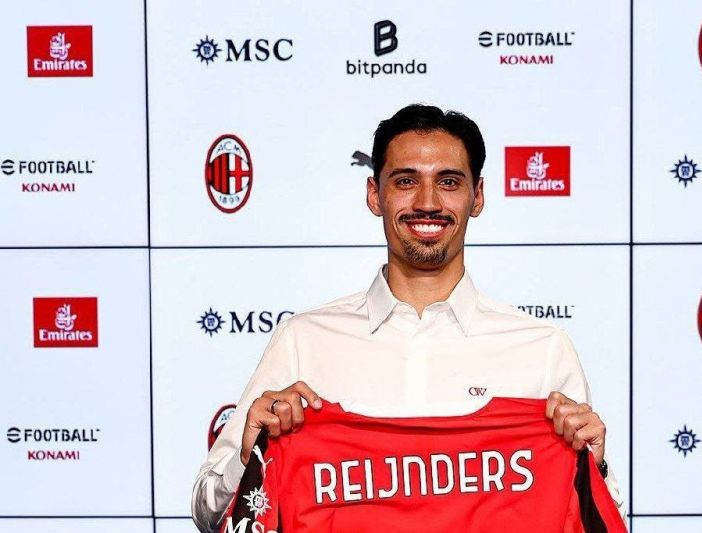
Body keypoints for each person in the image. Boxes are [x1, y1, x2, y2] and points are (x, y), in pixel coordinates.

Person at [191, 104, 624, 532]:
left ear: (478, 196)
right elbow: (207, 512)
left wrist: (593, 463)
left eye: (449, 182)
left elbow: (600, 518)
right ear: (374, 195)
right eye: (405, 181)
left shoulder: (542, 349)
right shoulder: (303, 340)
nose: (428, 202)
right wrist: (251, 455)